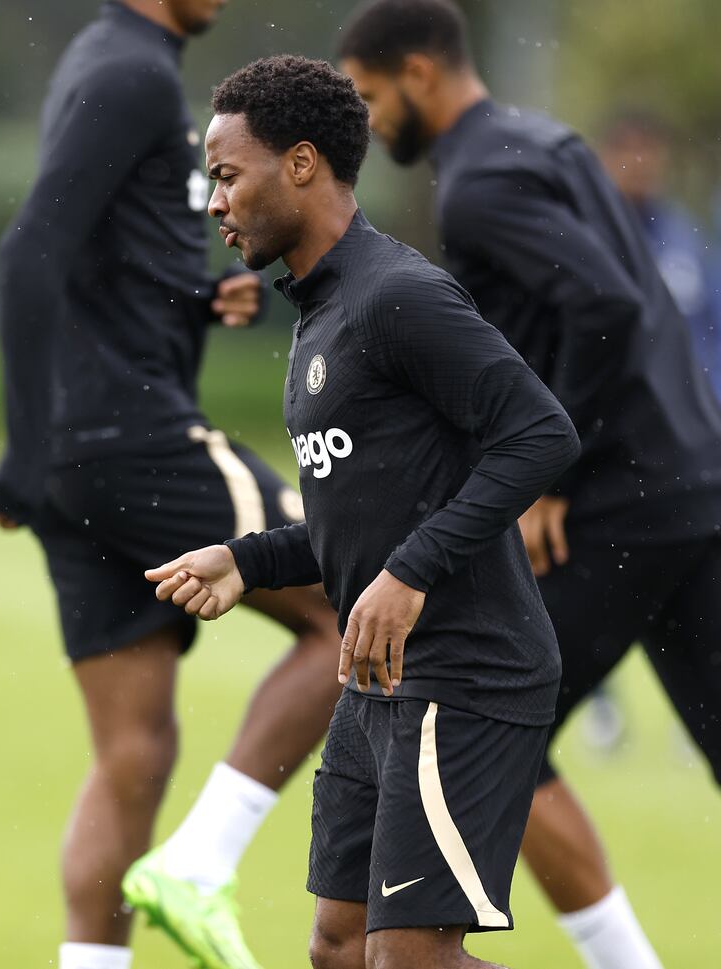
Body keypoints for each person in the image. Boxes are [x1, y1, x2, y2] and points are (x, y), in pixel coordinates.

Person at [144, 53, 581, 969]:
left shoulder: (399, 294)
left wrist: (412, 572)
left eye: (227, 176)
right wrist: (250, 559)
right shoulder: (320, 314)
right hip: (375, 680)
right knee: (341, 950)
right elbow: (371, 520)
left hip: (467, 672)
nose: (214, 202)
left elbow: (541, 433)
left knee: (408, 960)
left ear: (300, 164)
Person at [337, 2, 721, 968]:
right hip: (694, 484)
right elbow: (612, 300)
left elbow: (603, 301)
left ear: (419, 74)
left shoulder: (475, 185)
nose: (371, 125)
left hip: (618, 502)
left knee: (485, 699)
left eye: (372, 99)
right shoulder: (546, 140)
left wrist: (556, 469)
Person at [0, 4, 344, 969]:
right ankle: (203, 860)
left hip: (82, 460)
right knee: (359, 597)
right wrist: (17, 447)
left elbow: (100, 257)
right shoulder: (133, 70)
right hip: (136, 441)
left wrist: (190, 302)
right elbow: (29, 251)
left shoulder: (108, 61)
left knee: (133, 753)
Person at [599, 110, 721, 401]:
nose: (639, 162)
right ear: (603, 157)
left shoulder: (685, 235)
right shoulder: (591, 237)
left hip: (697, 408)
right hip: (623, 411)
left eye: (648, 149)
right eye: (626, 149)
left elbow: (713, 321)